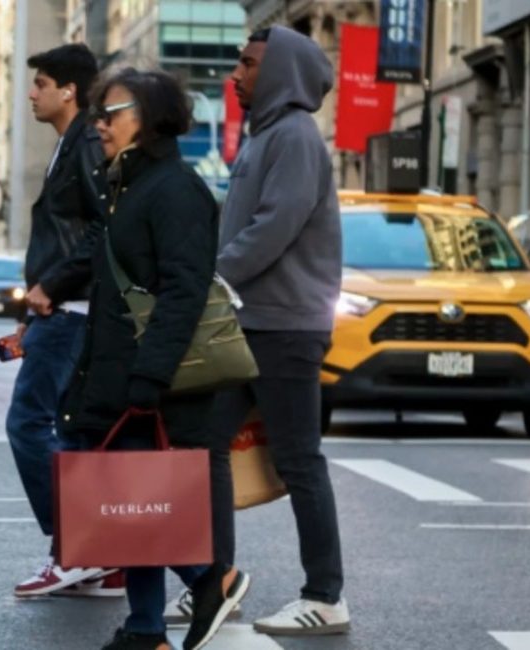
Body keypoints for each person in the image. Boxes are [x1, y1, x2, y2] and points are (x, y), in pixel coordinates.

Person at [59, 68, 249, 650]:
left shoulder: (175, 189)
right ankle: (145, 630)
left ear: (146, 115)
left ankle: (210, 578)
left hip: (154, 380)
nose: (98, 124)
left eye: (109, 113)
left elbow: (185, 290)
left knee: (144, 504)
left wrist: (150, 375)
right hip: (120, 374)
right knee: (132, 502)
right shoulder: (126, 187)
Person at [205, 26, 349, 636]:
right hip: (251, 321)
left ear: (281, 70)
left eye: (248, 64)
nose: (235, 74)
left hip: (285, 326)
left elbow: (274, 226)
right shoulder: (263, 136)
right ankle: (213, 583)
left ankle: (326, 595)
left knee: (298, 460)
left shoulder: (293, 136)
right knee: (203, 446)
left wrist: (210, 278)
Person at [6, 43, 116, 599]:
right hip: (64, 309)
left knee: (28, 424)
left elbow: (104, 230)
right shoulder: (67, 145)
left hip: (74, 310)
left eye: (41, 83)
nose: (32, 93)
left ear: (69, 90)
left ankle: (83, 545)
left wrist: (53, 284)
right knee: (73, 434)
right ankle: (102, 556)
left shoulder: (88, 144)